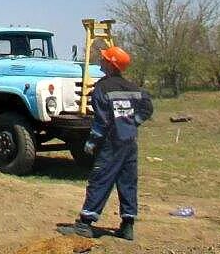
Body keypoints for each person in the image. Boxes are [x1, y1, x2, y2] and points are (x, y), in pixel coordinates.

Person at [59, 46, 153, 241]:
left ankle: (85, 224)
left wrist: (92, 142)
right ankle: (128, 226)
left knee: (100, 179)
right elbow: (147, 107)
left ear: (111, 64)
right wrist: (133, 122)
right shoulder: (132, 87)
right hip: (130, 142)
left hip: (111, 142)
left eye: (104, 59)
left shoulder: (102, 88)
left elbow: (102, 121)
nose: (101, 60)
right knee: (127, 182)